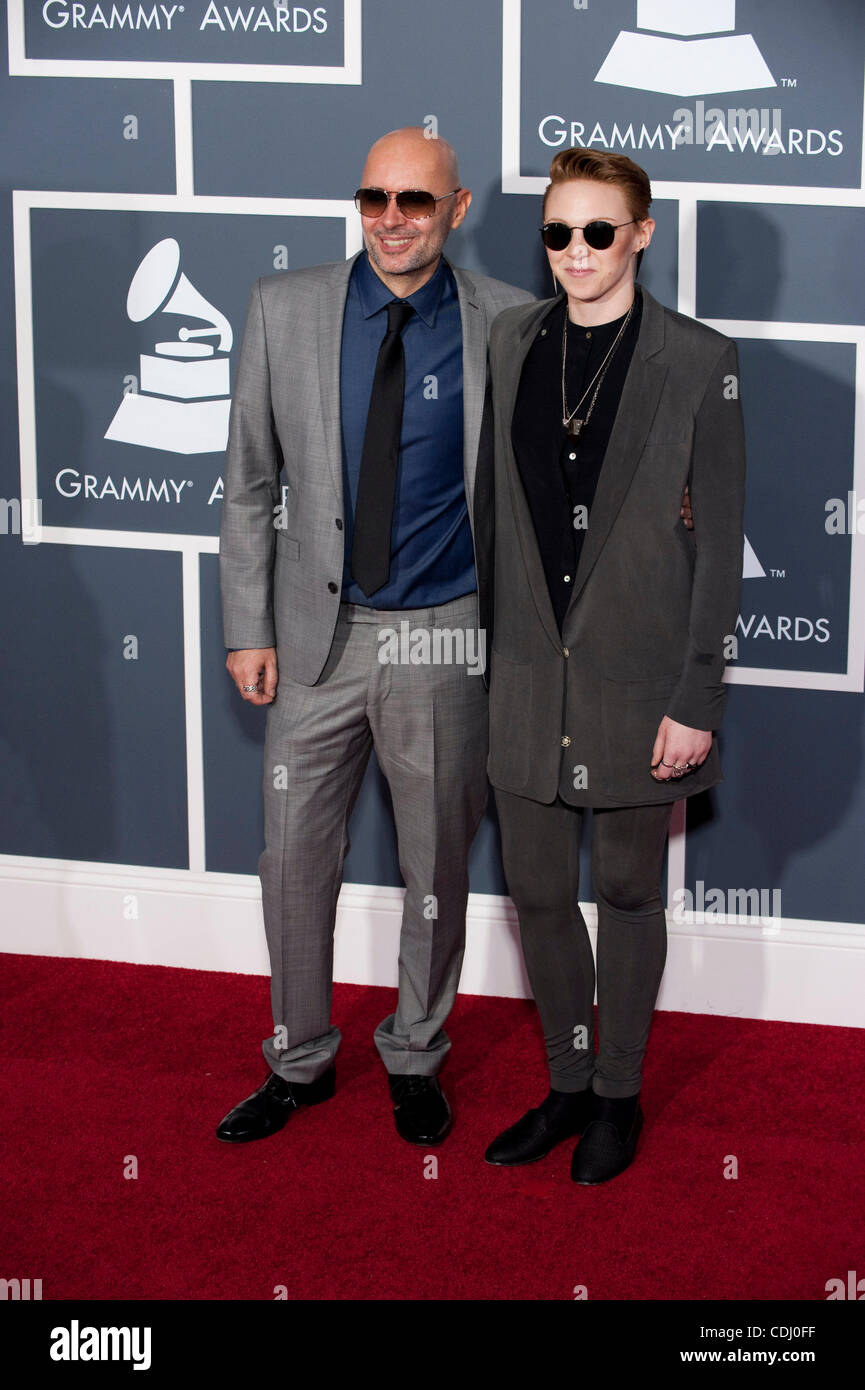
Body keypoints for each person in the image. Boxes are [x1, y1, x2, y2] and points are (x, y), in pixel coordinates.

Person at [216, 127, 533, 1148]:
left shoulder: (507, 324)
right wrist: (245, 627)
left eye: (414, 201)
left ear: (457, 208)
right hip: (316, 635)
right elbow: (251, 483)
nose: (390, 218)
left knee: (435, 866)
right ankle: (298, 1059)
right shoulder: (283, 307)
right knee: (292, 860)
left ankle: (416, 1052)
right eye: (372, 198)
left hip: (444, 638)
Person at [483, 148, 746, 1184]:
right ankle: (567, 1083)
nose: (577, 252)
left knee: (629, 894)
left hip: (643, 687)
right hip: (525, 680)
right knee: (537, 894)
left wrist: (696, 697)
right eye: (558, 233)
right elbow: (493, 514)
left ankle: (620, 1099)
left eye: (599, 231)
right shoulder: (513, 340)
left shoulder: (699, 357)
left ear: (639, 233)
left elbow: (719, 544)